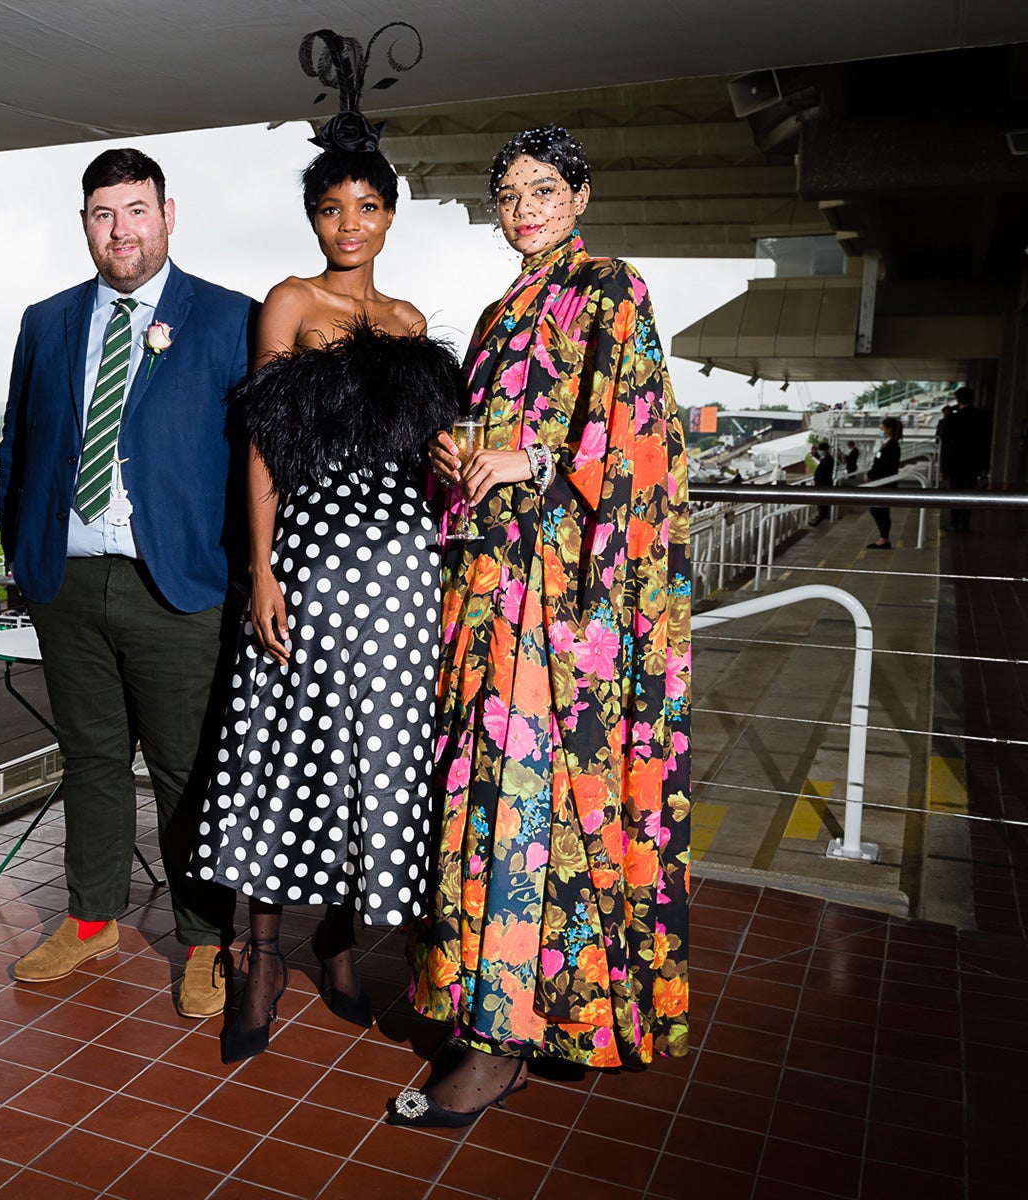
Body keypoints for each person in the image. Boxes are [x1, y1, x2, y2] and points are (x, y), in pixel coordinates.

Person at [396, 126, 692, 1127]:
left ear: (580, 194)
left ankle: (506, 1036)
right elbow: (496, 433)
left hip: (563, 599)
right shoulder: (496, 311)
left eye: (541, 189)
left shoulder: (612, 287)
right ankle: (530, 1017)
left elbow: (639, 431)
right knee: (489, 795)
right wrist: (456, 450)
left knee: (532, 800)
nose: (524, 207)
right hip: (486, 585)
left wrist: (532, 462)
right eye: (508, 193)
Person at [191, 23, 458, 1063]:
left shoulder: (405, 316)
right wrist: (260, 568)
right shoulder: (290, 304)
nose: (349, 222)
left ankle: (344, 946)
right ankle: (256, 965)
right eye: (331, 207)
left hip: (399, 572)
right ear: (314, 216)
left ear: (391, 215)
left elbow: (429, 458)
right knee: (280, 757)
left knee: (380, 761)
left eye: (367, 206)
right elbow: (261, 445)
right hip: (307, 557)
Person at [0, 148, 254, 1018]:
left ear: (168, 214)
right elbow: (23, 451)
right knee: (93, 759)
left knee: (188, 768)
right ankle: (90, 917)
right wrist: (28, 565)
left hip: (178, 585)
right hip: (66, 582)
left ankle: (207, 938)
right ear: (85, 224)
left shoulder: (228, 319)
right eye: (105, 215)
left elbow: (253, 465)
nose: (122, 231)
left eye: (137, 211)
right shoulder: (46, 321)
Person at [940, 386, 989, 531]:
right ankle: (965, 523)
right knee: (969, 492)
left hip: (955, 462)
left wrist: (944, 467)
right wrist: (985, 464)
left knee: (955, 492)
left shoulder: (953, 418)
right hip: (973, 462)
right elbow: (986, 441)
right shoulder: (982, 417)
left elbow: (946, 442)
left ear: (958, 400)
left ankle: (954, 522)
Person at [866, 415, 903, 548]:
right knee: (877, 510)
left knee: (880, 510)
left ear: (889, 429)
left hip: (884, 482)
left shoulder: (892, 445)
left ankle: (884, 539)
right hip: (881, 481)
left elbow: (884, 465)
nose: (880, 431)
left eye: (882, 428)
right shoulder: (887, 444)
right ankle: (883, 538)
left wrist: (871, 474)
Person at [811, 444, 834, 525]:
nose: (819, 452)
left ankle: (821, 518)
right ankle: (821, 517)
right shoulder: (825, 459)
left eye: (821, 450)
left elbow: (823, 472)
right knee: (821, 502)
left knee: (822, 502)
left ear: (825, 450)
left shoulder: (828, 459)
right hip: (821, 483)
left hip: (823, 484)